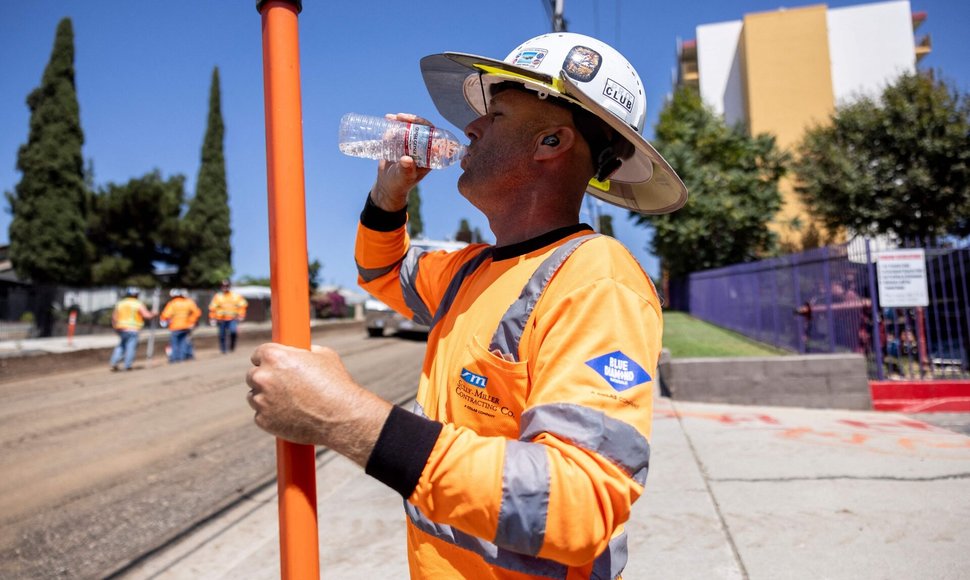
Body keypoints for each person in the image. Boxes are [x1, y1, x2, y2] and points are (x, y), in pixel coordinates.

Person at [246, 32, 687, 578]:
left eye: (495, 114)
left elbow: (579, 502)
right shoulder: (472, 270)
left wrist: (342, 416)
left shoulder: (597, 279)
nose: (469, 127)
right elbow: (381, 273)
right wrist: (390, 196)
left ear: (551, 142)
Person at [109, 287, 154, 371]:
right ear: (137, 295)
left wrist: (115, 326)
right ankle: (127, 365)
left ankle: (114, 362)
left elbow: (114, 317)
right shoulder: (137, 303)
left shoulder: (121, 303)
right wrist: (154, 314)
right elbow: (147, 315)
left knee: (121, 346)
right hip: (133, 329)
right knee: (131, 347)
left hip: (121, 328)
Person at [159, 288, 202, 363]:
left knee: (174, 343)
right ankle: (182, 358)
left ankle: (175, 359)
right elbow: (197, 312)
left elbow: (165, 315)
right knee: (183, 342)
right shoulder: (188, 302)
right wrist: (192, 321)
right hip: (186, 326)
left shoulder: (172, 304)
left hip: (175, 327)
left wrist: (163, 320)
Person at [208, 280, 248, 354]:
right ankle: (223, 350)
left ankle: (232, 346)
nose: (225, 287)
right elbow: (212, 308)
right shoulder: (218, 296)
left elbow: (243, 305)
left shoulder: (235, 296)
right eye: (223, 286)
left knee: (233, 332)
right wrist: (212, 318)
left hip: (232, 318)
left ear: (229, 286)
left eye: (226, 286)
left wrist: (241, 315)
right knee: (222, 335)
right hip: (221, 319)